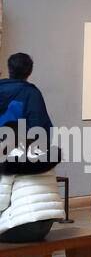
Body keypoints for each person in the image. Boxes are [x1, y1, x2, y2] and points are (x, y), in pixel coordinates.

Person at [0, 53, 63, 242]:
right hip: (19, 148)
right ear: (30, 71)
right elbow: (40, 128)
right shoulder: (32, 93)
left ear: (9, 68)